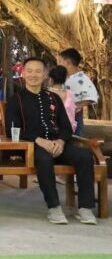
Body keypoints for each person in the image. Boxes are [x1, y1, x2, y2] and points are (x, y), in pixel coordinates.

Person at [5, 57, 97, 225]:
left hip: (58, 144)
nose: (34, 75)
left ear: (45, 74)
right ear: (23, 73)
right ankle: (54, 207)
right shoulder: (15, 100)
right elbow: (11, 129)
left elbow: (67, 127)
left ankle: (85, 207)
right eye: (30, 71)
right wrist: (39, 140)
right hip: (32, 146)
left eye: (38, 71)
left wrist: (61, 142)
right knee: (44, 159)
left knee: (84, 156)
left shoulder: (54, 98)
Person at [57, 48, 98, 137]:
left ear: (68, 63)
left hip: (75, 117)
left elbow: (91, 96)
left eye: (59, 61)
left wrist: (75, 106)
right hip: (63, 116)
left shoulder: (81, 78)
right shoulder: (64, 78)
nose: (57, 64)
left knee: (76, 139)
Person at [48, 66, 77, 132]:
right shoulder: (70, 94)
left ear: (51, 79)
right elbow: (75, 111)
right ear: (65, 78)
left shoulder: (46, 94)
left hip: (52, 130)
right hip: (69, 129)